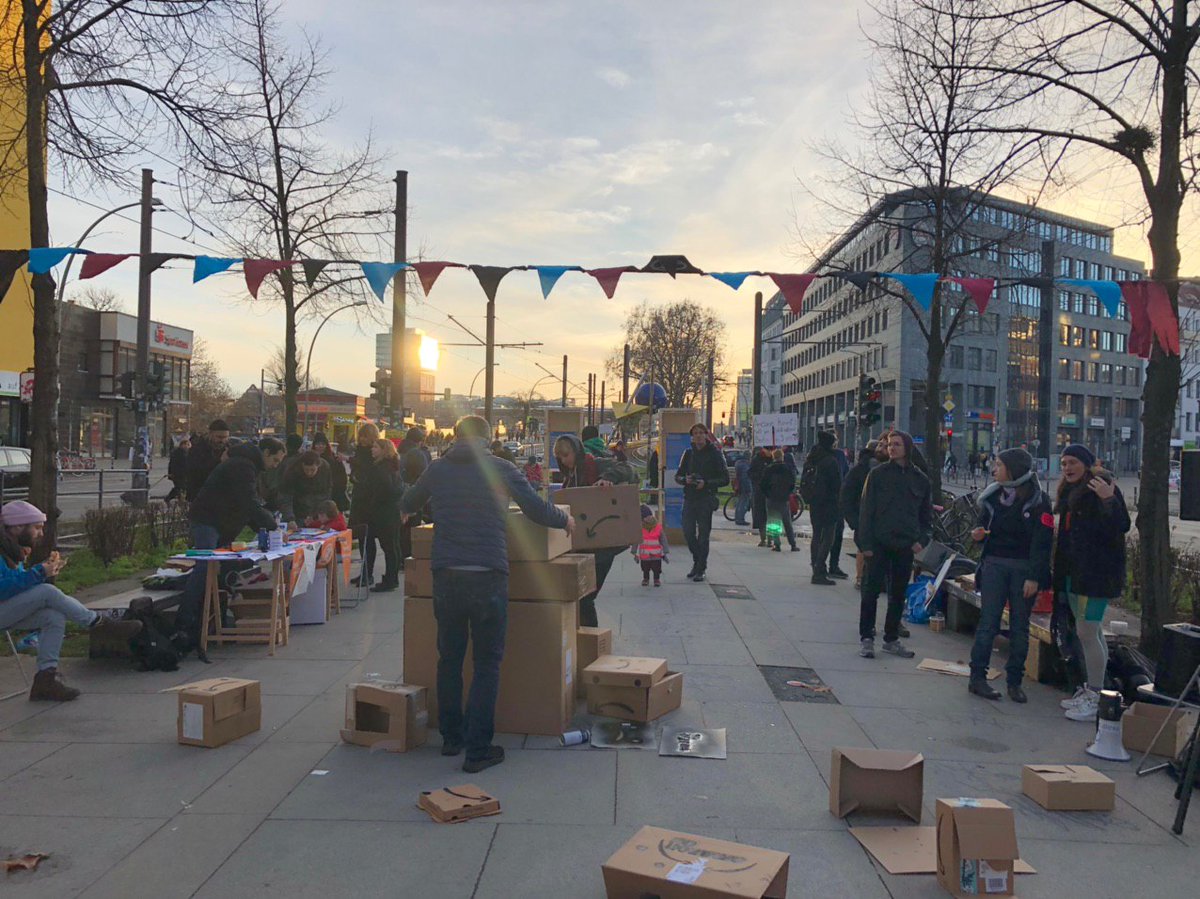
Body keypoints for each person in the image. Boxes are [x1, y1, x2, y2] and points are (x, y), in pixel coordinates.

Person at [401, 415, 574, 773]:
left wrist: (409, 510)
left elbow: (409, 501)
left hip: (447, 575)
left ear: (456, 437)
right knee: (486, 663)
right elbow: (534, 508)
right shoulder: (501, 467)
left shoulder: (437, 469)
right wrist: (565, 520)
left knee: (449, 658)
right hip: (488, 575)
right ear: (484, 438)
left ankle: (452, 738)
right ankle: (478, 749)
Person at [0, 502, 143, 701]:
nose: (40, 534)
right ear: (16, 527)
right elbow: (3, 588)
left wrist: (40, 571)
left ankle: (45, 680)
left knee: (54, 617)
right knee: (47, 592)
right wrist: (39, 573)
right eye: (36, 528)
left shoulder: (11, 549)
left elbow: (15, 586)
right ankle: (98, 624)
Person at [176, 438, 287, 654]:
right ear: (264, 452)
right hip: (209, 521)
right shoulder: (243, 467)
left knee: (218, 570)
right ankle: (184, 623)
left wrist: (266, 530)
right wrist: (273, 527)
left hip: (219, 523)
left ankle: (209, 623)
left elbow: (246, 506)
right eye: (274, 459)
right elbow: (249, 503)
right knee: (204, 568)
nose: (275, 465)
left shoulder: (247, 467)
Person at [967, 448, 1054, 703]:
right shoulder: (992, 497)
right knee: (988, 623)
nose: (994, 469)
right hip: (994, 565)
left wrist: (1034, 577)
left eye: (999, 464)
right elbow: (983, 528)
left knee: (1019, 626)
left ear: (1014, 469)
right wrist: (979, 535)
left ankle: (1014, 681)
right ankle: (977, 678)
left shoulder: (1038, 500)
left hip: (1023, 570)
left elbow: (1042, 542)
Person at [1052, 444, 1130, 722]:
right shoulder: (1070, 492)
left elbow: (1122, 525)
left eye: (1072, 462)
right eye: (1063, 463)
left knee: (1087, 630)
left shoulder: (1101, 486)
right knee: (1090, 631)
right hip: (1075, 574)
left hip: (1096, 575)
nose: (1067, 468)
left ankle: (1096, 694)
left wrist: (1110, 500)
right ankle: (1095, 690)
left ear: (1087, 464)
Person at [855, 430, 931, 659]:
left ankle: (891, 638)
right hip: (878, 543)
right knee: (870, 592)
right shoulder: (877, 475)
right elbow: (866, 510)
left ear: (907, 447)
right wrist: (865, 543)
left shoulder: (920, 479)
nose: (892, 448)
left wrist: (921, 541)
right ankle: (867, 638)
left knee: (898, 594)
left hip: (905, 545)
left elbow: (926, 516)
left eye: (897, 444)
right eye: (889, 444)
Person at [554, 434, 625, 626]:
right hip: (586, 547)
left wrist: (607, 478)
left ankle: (592, 642)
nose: (563, 460)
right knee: (582, 597)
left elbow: (627, 469)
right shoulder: (570, 476)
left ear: (576, 452)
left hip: (602, 546)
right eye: (559, 457)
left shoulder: (594, 464)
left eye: (565, 454)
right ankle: (586, 640)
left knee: (585, 597)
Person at [675, 423, 729, 582]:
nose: (698, 436)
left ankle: (701, 567)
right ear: (692, 436)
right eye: (695, 433)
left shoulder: (715, 454)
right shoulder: (688, 454)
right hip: (690, 497)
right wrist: (686, 479)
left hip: (706, 498)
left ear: (706, 435)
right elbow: (678, 476)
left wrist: (706, 483)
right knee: (688, 532)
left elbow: (725, 479)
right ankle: (697, 560)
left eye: (701, 433)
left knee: (703, 535)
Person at [801, 431, 844, 585]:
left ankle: (815, 566)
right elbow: (837, 484)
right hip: (829, 503)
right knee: (828, 537)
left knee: (816, 535)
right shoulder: (830, 461)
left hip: (814, 503)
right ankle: (819, 570)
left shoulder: (811, 459)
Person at [362, 439, 404, 593]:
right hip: (392, 510)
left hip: (383, 511)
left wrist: (373, 500)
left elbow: (384, 488)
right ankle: (392, 577)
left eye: (375, 447)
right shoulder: (394, 465)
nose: (372, 449)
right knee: (393, 546)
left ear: (383, 450)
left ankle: (390, 580)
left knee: (388, 546)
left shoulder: (381, 468)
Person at [840, 442, 878, 590]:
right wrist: (854, 521)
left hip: (862, 519)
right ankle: (862, 577)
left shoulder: (857, 470)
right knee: (864, 549)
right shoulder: (864, 470)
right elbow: (847, 496)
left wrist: (853, 521)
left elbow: (846, 495)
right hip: (866, 519)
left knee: (863, 549)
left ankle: (861, 578)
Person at [349, 423, 381, 586]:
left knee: (367, 538)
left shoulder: (372, 453)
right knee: (362, 538)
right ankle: (364, 572)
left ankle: (368, 573)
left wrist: (351, 461)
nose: (361, 439)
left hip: (368, 501)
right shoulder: (360, 451)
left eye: (364, 435)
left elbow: (369, 473)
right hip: (360, 498)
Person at [398, 427, 430, 567]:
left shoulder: (400, 451)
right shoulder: (417, 454)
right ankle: (408, 559)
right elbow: (424, 476)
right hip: (413, 493)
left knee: (402, 530)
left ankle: (400, 559)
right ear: (419, 441)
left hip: (400, 493)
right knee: (413, 529)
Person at [278, 450, 332, 526]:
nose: (309, 473)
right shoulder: (292, 470)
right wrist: (290, 519)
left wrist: (318, 514)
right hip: (297, 510)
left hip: (316, 510)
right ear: (302, 465)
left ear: (318, 466)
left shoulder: (325, 468)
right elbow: (285, 497)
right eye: (306, 470)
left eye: (312, 470)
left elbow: (326, 493)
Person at [761, 449, 798, 552]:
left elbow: (763, 484)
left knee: (773, 522)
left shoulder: (769, 469)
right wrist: (787, 493)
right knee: (787, 523)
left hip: (771, 498)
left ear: (773, 457)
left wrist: (767, 494)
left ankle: (777, 544)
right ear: (782, 457)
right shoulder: (787, 469)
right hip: (784, 499)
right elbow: (792, 483)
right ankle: (792, 544)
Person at [184, 419, 231, 500]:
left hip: (222, 497)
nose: (222, 441)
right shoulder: (197, 449)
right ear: (210, 434)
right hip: (200, 496)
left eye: (225, 437)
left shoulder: (229, 449)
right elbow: (196, 474)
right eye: (219, 437)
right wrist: (220, 462)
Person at [828, 442, 851, 579]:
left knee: (822, 536)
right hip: (836, 500)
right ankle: (833, 565)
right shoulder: (839, 455)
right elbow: (846, 477)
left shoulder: (816, 455)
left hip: (820, 503)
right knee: (836, 535)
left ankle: (818, 565)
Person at [633, 504, 669, 587]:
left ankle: (656, 579)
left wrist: (665, 551)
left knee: (657, 568)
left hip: (656, 554)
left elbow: (663, 539)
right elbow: (636, 540)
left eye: (649, 516)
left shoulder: (658, 527)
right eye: (645, 517)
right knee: (645, 568)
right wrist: (634, 552)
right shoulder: (640, 528)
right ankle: (646, 579)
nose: (648, 518)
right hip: (645, 554)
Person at [312, 433, 348, 512]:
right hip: (315, 494)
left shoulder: (334, 459)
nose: (320, 446)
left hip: (333, 493)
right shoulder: (310, 459)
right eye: (318, 444)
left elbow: (342, 477)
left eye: (323, 444)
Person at [748, 447, 772, 546]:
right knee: (761, 516)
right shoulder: (757, 459)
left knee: (772, 516)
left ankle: (771, 539)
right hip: (759, 491)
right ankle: (763, 538)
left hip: (771, 492)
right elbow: (750, 473)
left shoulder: (773, 459)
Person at [166, 435, 190, 502]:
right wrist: (171, 473)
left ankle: (180, 500)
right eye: (186, 444)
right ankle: (169, 498)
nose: (188, 446)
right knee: (179, 487)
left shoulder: (185, 453)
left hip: (182, 474)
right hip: (178, 474)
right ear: (182, 445)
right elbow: (173, 464)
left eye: (188, 444)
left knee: (180, 488)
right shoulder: (178, 453)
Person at [733, 452, 752, 527]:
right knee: (744, 502)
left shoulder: (738, 464)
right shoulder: (745, 465)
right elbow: (746, 477)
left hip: (739, 485)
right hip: (744, 486)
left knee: (740, 502)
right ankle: (740, 519)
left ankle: (737, 518)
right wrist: (749, 488)